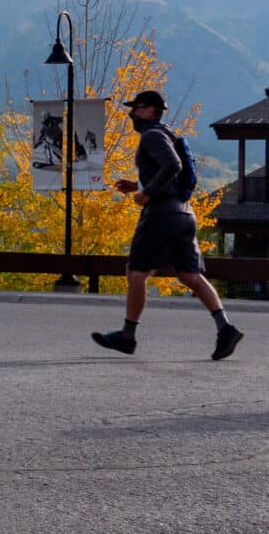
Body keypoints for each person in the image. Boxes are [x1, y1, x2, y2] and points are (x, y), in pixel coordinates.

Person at [93, 89, 244, 360]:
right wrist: (137, 185)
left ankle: (127, 336)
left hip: (161, 215)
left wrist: (148, 191)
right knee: (190, 276)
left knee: (136, 273)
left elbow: (172, 166)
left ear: (150, 110)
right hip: (184, 215)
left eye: (137, 108)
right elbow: (175, 175)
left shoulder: (152, 135)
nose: (131, 114)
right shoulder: (168, 133)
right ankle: (226, 328)